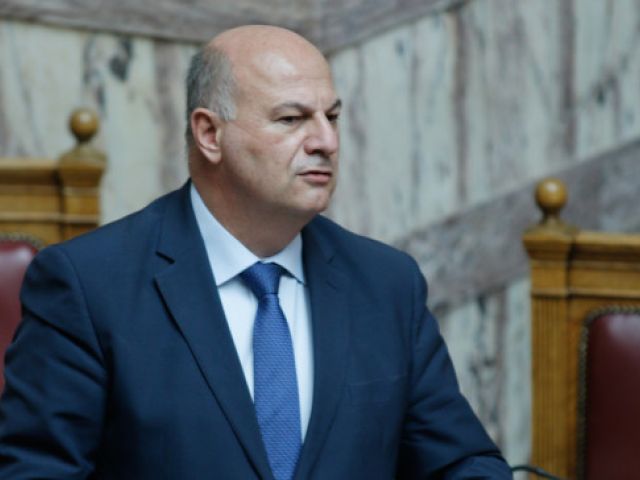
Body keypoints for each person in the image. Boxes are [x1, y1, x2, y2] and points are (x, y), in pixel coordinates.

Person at [0, 25, 512, 479]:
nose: (327, 141)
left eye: (332, 116)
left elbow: (461, 462)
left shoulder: (386, 283)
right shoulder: (89, 285)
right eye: (292, 119)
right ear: (210, 134)